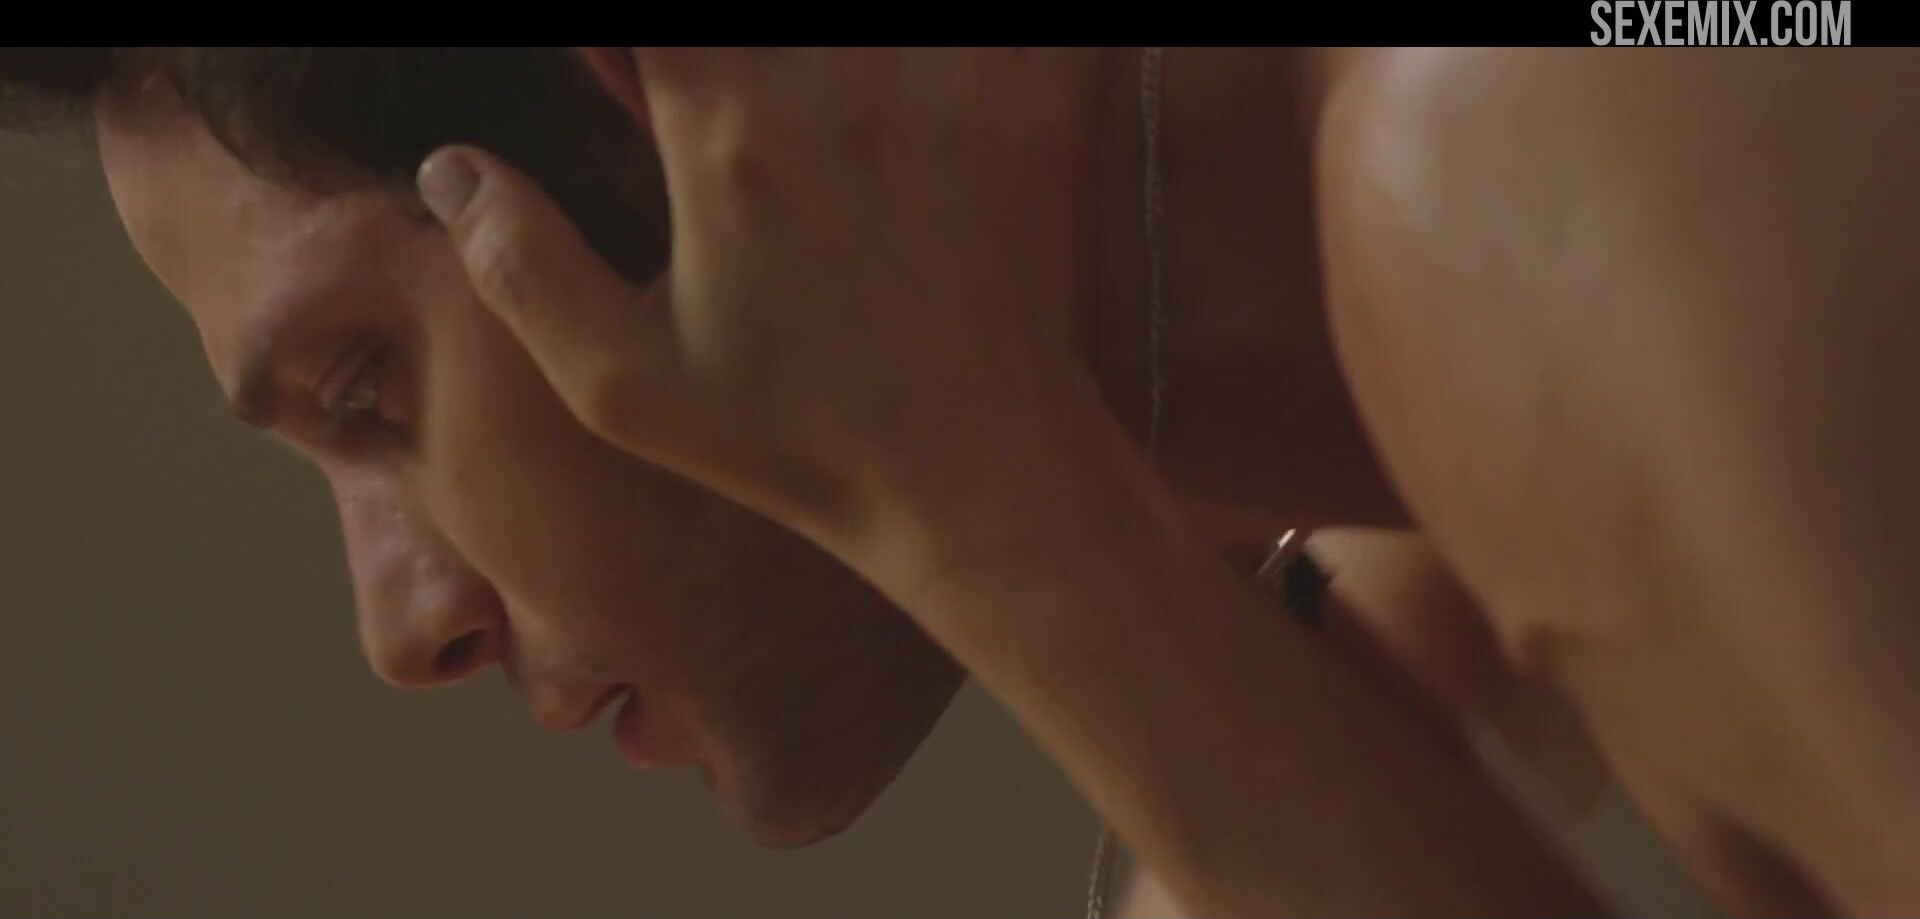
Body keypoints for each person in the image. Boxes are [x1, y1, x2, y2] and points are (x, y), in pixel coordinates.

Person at [2, 47, 1914, 917]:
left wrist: (995, 517)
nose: (401, 625)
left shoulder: (1545, 165)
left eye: (365, 391)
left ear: (648, 102)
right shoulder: (1366, 494)